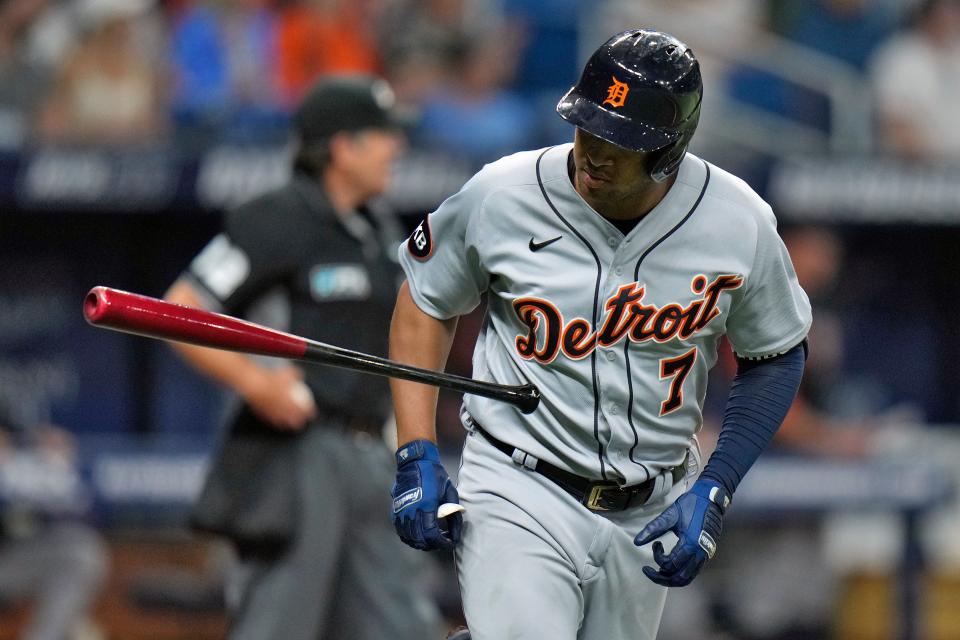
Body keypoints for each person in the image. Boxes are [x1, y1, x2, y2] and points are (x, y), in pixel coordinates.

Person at [388, 30, 812, 640]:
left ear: (667, 149)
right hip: (519, 483)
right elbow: (424, 299)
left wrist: (719, 484)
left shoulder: (736, 221)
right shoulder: (503, 192)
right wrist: (415, 449)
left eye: (620, 141)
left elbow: (775, 353)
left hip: (650, 505)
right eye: (588, 126)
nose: (594, 152)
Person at [164, 74, 441, 640]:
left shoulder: (376, 227)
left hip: (374, 449)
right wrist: (255, 381)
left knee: (399, 624)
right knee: (279, 624)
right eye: (384, 134)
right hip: (301, 450)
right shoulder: (279, 215)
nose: (398, 146)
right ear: (343, 147)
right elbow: (181, 309)